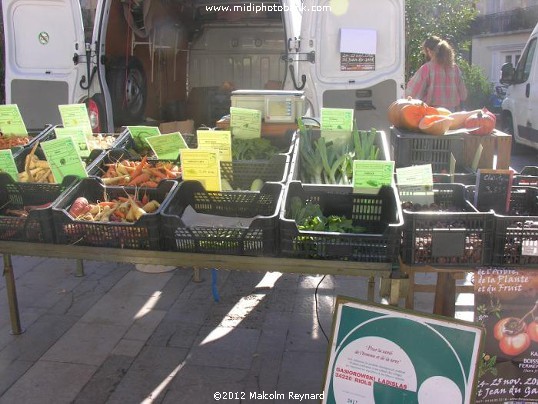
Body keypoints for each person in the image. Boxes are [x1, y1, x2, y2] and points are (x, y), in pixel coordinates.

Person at [405, 36, 468, 112]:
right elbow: (463, 95)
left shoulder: (426, 68)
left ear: (428, 50)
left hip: (432, 114)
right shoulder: (455, 68)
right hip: (452, 114)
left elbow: (412, 93)